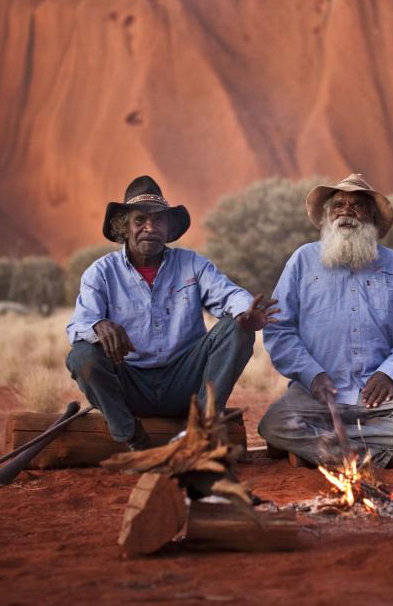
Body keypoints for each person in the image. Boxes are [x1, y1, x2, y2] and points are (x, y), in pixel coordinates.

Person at [66, 175, 278, 450]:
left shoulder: (192, 264)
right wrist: (98, 326)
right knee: (82, 355)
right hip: (132, 386)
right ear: (125, 227)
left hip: (186, 383)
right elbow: (77, 326)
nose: (150, 228)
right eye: (140, 220)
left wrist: (244, 312)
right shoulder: (101, 272)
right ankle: (131, 438)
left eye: (159, 220)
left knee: (239, 329)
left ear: (168, 228)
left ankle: (201, 431)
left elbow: (229, 295)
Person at [258, 173, 393, 468]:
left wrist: (389, 374)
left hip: (380, 393)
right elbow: (280, 328)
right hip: (319, 390)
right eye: (338, 204)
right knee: (273, 425)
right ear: (326, 216)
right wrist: (312, 374)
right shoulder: (302, 260)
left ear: (371, 217)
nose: (346, 211)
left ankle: (331, 449)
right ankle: (382, 453)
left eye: (357, 205)